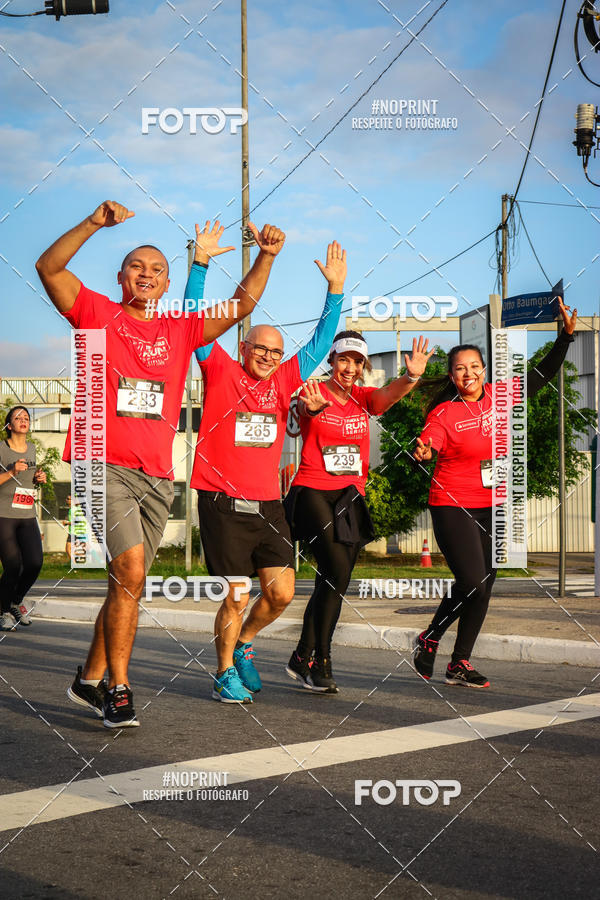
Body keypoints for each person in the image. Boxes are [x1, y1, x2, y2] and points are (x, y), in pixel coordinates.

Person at [36, 199, 284, 727]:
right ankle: (120, 689)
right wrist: (93, 222)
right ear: (121, 276)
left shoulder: (181, 328)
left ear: (167, 285)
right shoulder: (97, 313)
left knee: (128, 581)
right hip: (101, 462)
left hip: (155, 476)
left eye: (157, 269)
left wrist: (265, 257)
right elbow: (48, 268)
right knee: (129, 572)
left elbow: (242, 305)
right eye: (137, 266)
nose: (146, 274)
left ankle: (87, 678)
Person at [186, 241, 346, 703]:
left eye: (276, 353)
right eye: (261, 350)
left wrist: (335, 289)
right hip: (221, 499)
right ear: (243, 347)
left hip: (268, 503)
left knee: (280, 594)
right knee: (237, 594)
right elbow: (196, 323)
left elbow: (321, 340)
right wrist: (200, 267)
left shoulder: (284, 380)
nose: (269, 358)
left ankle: (243, 645)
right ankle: (222, 674)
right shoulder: (218, 368)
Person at [412, 298, 577, 688]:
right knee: (471, 581)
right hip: (452, 504)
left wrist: (565, 338)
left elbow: (541, 374)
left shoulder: (501, 398)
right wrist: (423, 452)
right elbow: (429, 443)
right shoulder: (444, 414)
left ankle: (458, 662)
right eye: (459, 369)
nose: (467, 373)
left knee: (485, 584)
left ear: (484, 370)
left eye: (473, 367)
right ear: (451, 376)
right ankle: (430, 635)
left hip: (493, 504)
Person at [283, 331, 434, 692]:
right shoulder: (314, 391)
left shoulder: (363, 399)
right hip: (313, 490)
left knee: (333, 579)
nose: (350, 367)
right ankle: (321, 660)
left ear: (363, 366)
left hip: (350, 495)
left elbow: (387, 397)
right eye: (344, 359)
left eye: (357, 361)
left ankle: (302, 655)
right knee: (335, 571)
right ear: (332, 361)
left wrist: (411, 376)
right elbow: (302, 410)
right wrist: (310, 408)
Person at [0, 406, 46, 631]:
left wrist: (38, 478)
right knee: (12, 565)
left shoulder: (32, 448)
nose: (23, 420)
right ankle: (3, 612)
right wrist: (11, 472)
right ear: (9, 425)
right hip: (4, 514)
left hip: (27, 513)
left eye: (26, 417)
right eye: (18, 417)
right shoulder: (1, 449)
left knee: (35, 562)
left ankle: (15, 601)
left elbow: (29, 482)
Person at [64, 494, 89, 560]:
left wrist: (67, 523)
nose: (66, 500)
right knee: (69, 549)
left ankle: (75, 562)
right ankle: (75, 562)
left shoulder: (74, 509)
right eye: (67, 498)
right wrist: (66, 523)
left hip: (75, 532)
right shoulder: (71, 509)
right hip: (73, 532)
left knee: (68, 549)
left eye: (68, 499)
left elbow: (77, 521)